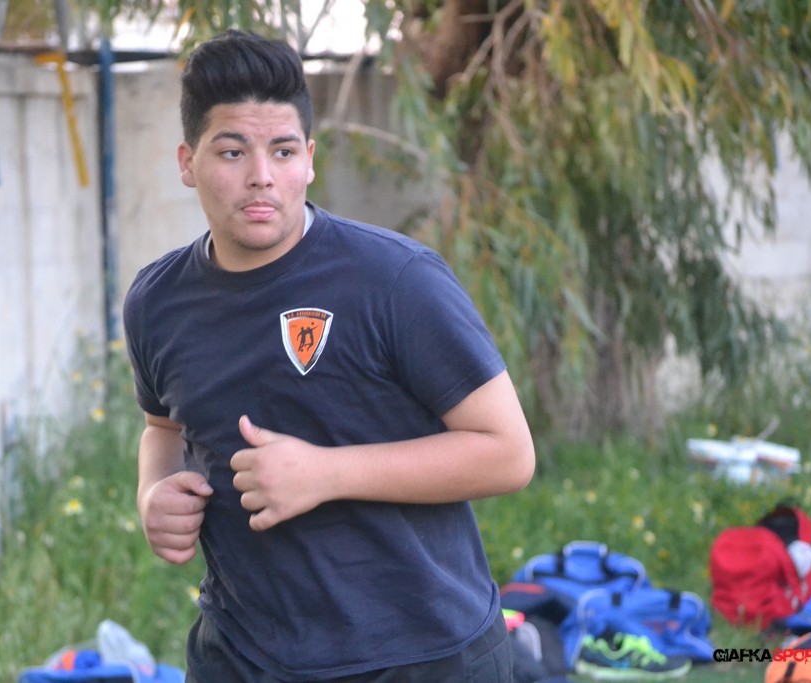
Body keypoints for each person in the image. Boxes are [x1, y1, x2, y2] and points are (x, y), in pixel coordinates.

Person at [122, 29, 536, 683]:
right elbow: (162, 428)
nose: (261, 175)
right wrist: (153, 492)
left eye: (283, 150)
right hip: (242, 654)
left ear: (309, 159)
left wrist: (325, 473)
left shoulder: (396, 280)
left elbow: (508, 453)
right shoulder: (157, 301)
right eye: (232, 151)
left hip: (423, 654)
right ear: (187, 161)